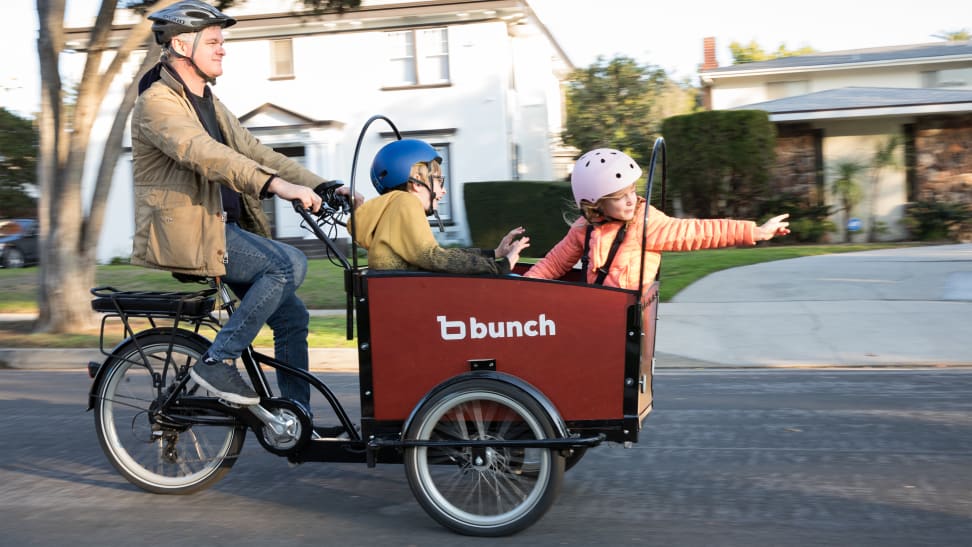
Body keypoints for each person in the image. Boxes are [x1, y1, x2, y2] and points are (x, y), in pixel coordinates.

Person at [130, 1, 362, 412]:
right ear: (183, 45)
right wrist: (275, 187)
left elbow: (255, 152)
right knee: (288, 264)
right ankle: (218, 361)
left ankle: (295, 419)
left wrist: (322, 186)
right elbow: (203, 153)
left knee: (293, 319)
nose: (223, 50)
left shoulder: (209, 102)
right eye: (215, 42)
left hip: (222, 229)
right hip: (193, 234)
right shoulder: (157, 102)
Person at [524, 148, 790, 288]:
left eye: (632, 191)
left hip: (626, 321)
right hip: (598, 316)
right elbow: (552, 265)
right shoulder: (585, 229)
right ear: (595, 204)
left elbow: (698, 232)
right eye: (619, 196)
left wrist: (755, 232)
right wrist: (519, 291)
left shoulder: (645, 223)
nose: (631, 200)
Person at [351, 139, 530, 273]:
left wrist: (494, 253)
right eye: (438, 181)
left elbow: (438, 254)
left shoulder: (393, 206)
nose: (442, 191)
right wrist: (501, 266)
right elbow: (432, 257)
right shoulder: (406, 202)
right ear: (417, 182)